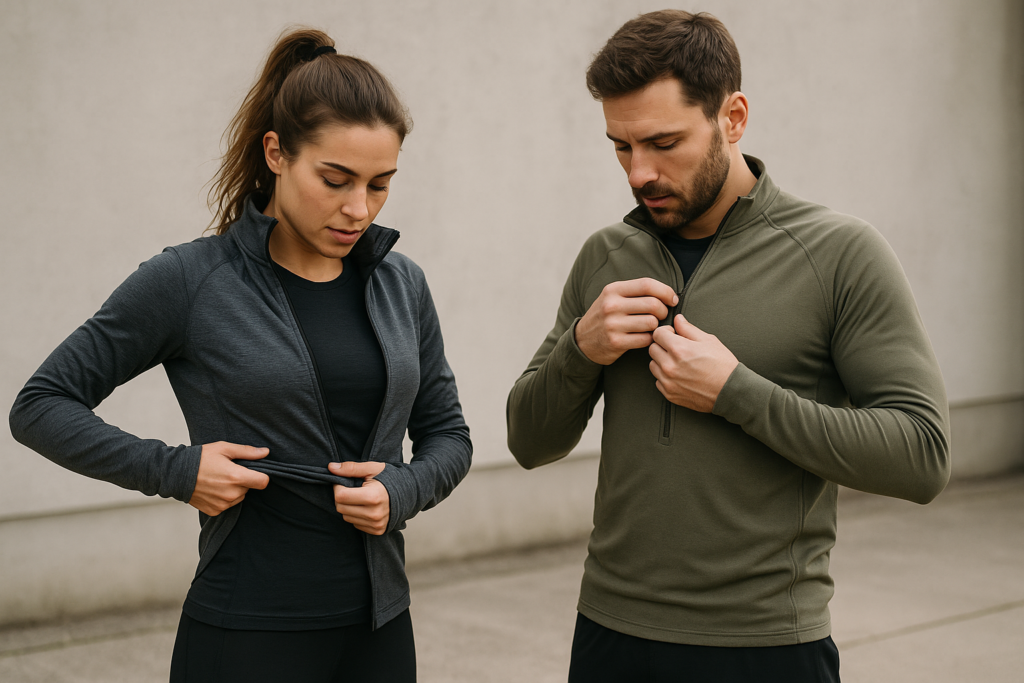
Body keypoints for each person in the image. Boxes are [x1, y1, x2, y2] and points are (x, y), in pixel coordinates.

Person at [9, 28, 471, 683]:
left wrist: (403, 488)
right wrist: (176, 469)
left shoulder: (401, 283)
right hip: (247, 629)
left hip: (380, 628)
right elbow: (40, 405)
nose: (357, 208)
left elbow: (448, 435)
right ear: (276, 153)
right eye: (335, 179)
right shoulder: (191, 281)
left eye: (379, 184)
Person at [506, 10, 949, 683]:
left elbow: (922, 456)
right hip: (609, 633)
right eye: (621, 146)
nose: (639, 172)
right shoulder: (606, 256)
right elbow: (528, 441)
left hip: (767, 645)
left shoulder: (840, 254)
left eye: (664, 143)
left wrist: (736, 393)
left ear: (732, 117)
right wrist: (581, 348)